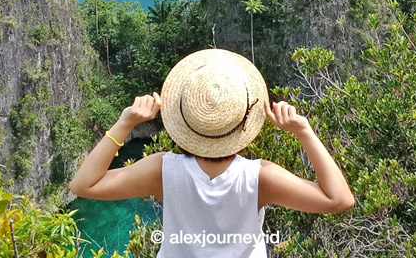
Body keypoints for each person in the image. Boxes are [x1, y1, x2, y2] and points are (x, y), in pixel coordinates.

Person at [69, 48, 354, 257]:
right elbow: (339, 199)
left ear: (183, 126)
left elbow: (83, 185)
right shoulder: (260, 178)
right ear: (245, 132)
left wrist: (125, 123)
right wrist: (304, 131)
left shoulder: (162, 170)